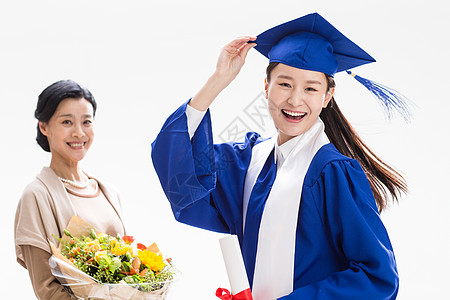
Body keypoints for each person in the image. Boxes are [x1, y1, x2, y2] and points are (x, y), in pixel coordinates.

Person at [151, 13, 408, 300]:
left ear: (327, 97)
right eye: (285, 84)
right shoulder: (249, 162)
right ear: (266, 86)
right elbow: (182, 179)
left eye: (311, 88)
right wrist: (218, 80)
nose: (295, 100)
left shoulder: (332, 172)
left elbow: (377, 277)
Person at [14, 80, 127, 299]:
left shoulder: (109, 192)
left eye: (86, 122)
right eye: (67, 122)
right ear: (44, 126)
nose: (79, 133)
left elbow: (129, 269)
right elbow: (46, 288)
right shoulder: (36, 196)